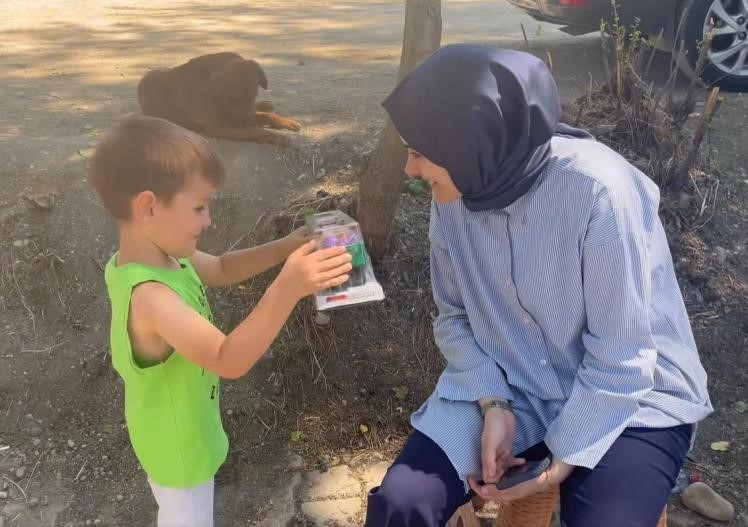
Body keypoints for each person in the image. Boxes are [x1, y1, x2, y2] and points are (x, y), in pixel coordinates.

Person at [364, 44, 712, 527]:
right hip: (513, 381)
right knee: (402, 503)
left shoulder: (598, 191)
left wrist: (556, 464)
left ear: (471, 141)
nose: (410, 170)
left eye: (419, 152)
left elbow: (623, 356)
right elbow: (454, 317)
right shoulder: (457, 191)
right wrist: (494, 402)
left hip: (630, 399)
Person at [89, 115, 352, 527]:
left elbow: (224, 268)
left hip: (185, 434)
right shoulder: (151, 296)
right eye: (199, 207)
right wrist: (288, 288)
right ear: (148, 206)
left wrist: (286, 246)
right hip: (179, 453)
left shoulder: (163, 258)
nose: (208, 219)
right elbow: (228, 359)